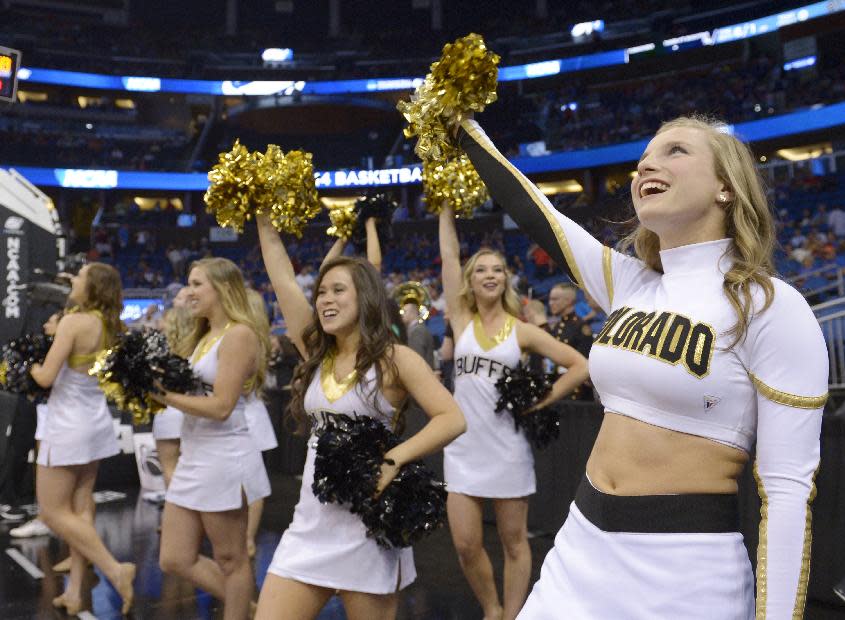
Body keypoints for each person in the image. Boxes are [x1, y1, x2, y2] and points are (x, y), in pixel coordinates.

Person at [455, 115, 827, 618]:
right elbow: (534, 211)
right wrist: (463, 129)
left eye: (675, 151)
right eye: (643, 158)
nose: (647, 164)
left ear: (726, 186)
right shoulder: (629, 283)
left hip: (685, 571)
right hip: (580, 546)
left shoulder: (770, 305)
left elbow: (786, 491)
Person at [254, 213, 466, 620]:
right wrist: (264, 218)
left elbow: (452, 418)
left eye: (337, 290)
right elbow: (281, 277)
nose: (325, 300)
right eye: (320, 293)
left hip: (367, 526)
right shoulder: (316, 349)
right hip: (311, 522)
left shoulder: (394, 359)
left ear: (364, 296)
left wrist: (393, 459)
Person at [438, 207, 590, 620]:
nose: (490, 275)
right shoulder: (461, 320)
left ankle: (512, 613)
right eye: (481, 270)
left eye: (498, 270)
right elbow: (449, 258)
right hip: (463, 448)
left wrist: (541, 400)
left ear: (507, 279)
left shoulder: (520, 330)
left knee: (514, 541)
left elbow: (580, 364)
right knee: (466, 543)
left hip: (507, 447)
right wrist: (443, 208)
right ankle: (491, 608)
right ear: (470, 280)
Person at [154, 257, 272, 620]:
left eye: (196, 284)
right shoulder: (203, 336)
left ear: (221, 288)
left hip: (224, 456)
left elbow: (222, 406)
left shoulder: (239, 334)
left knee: (231, 558)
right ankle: (254, 610)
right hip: (195, 454)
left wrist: (163, 395)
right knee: (174, 557)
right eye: (189, 283)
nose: (188, 292)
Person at [30, 263, 136, 615]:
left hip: (66, 426)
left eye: (80, 276)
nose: (73, 280)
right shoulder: (110, 325)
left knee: (51, 512)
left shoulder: (74, 323)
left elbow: (45, 377)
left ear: (92, 288)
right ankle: (75, 592)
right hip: (95, 424)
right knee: (79, 508)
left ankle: (114, 569)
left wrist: (25, 365)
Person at [10, 310, 63, 539]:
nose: (44, 326)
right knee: (43, 465)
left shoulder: (60, 348)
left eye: (50, 321)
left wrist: (28, 363)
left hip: (57, 415)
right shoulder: (52, 348)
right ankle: (46, 517)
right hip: (48, 412)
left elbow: (44, 379)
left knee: (48, 468)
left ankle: (48, 518)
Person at [244, 288, 280, 558]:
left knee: (253, 483)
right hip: (250, 415)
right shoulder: (257, 338)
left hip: (249, 417)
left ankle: (247, 539)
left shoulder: (252, 340)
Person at [153, 287, 192, 489]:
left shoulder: (161, 352)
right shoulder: (197, 347)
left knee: (170, 469)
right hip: (193, 411)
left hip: (169, 412)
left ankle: (176, 512)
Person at [546, 284, 594, 401]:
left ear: (568, 301)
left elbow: (585, 362)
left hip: (576, 393)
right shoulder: (557, 327)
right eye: (550, 299)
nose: (550, 303)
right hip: (559, 388)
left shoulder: (581, 327)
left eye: (555, 299)